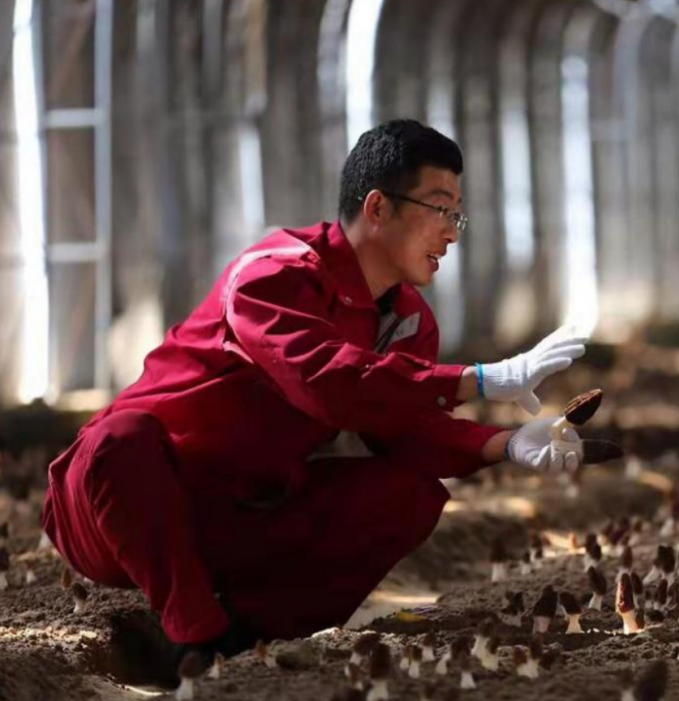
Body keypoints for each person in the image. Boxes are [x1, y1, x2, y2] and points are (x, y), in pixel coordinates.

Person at [41, 119, 587, 667]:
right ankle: (194, 637)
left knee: (409, 495)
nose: (452, 233)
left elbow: (407, 428)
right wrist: (483, 379)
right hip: (121, 510)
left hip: (236, 513)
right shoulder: (273, 275)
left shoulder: (407, 320)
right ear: (378, 208)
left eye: (458, 215)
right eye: (440, 209)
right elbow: (326, 380)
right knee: (122, 438)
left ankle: (246, 637)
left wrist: (508, 443)